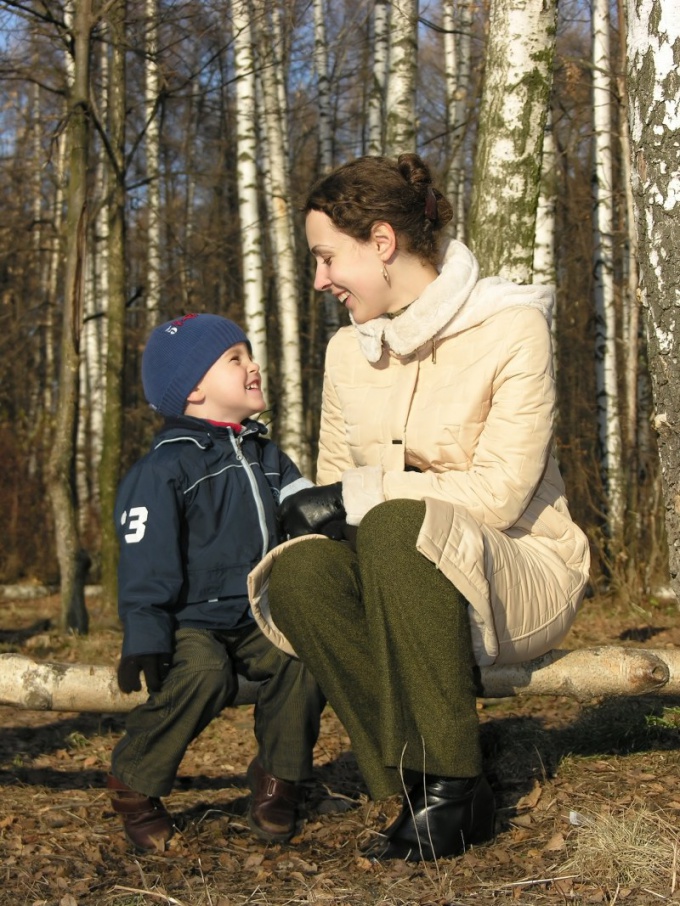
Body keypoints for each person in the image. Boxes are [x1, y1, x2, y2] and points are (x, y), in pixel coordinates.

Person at [248, 154, 591, 862]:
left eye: (326, 258)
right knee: (299, 573)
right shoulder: (347, 354)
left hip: (518, 573)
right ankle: (418, 778)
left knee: (398, 524)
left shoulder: (512, 329)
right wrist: (334, 511)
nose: (320, 281)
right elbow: (335, 496)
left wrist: (367, 495)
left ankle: (450, 788)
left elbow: (497, 496)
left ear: (381, 243)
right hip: (396, 579)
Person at [107, 313, 325, 852]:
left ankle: (278, 778)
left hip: (255, 614)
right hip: (190, 622)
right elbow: (144, 559)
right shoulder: (164, 470)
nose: (253, 366)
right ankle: (134, 782)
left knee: (300, 659)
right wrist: (145, 634)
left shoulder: (267, 455)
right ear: (195, 390)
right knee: (204, 674)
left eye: (249, 355)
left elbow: (305, 503)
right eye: (236, 359)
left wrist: (326, 513)